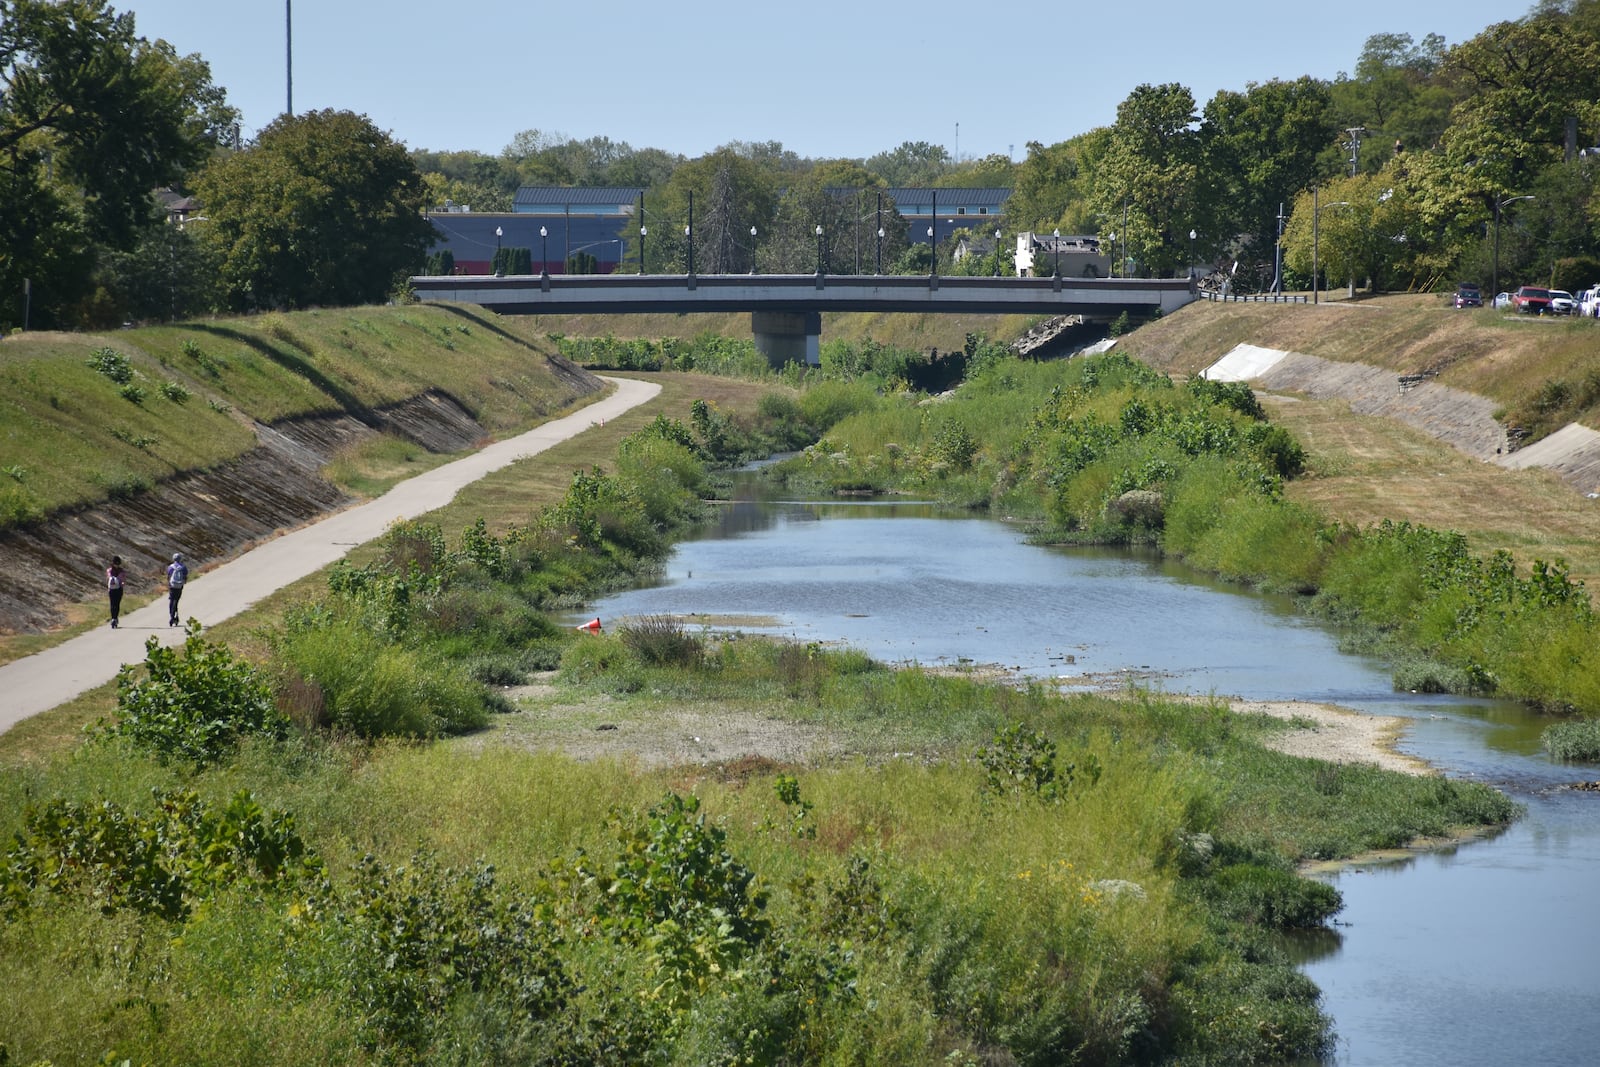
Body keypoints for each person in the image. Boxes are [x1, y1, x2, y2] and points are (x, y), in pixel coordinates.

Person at [166, 552, 188, 626]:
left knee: (171, 601)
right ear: (180, 559)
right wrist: (183, 582)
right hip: (179, 586)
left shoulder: (170, 567)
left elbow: (168, 576)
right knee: (176, 601)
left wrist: (169, 584)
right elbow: (185, 577)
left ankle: (172, 616)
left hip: (172, 586)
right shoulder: (183, 567)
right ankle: (175, 616)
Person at [106, 556, 125, 629]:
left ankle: (115, 618)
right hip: (113, 589)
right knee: (112, 604)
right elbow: (109, 578)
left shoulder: (121, 571)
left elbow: (123, 581)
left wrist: (122, 584)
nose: (116, 565)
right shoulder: (111, 571)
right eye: (115, 564)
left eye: (117, 564)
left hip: (118, 589)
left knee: (116, 604)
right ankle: (113, 618)